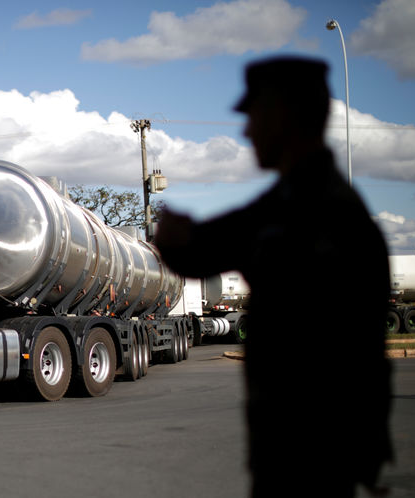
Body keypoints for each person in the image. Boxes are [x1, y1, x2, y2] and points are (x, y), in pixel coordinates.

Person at [154, 56, 392, 497]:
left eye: (255, 116)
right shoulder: (292, 201)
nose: (246, 132)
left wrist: (177, 239)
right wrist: (178, 240)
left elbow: (208, 249)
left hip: (313, 448)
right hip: (298, 447)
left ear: (286, 116)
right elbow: (206, 248)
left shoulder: (315, 212)